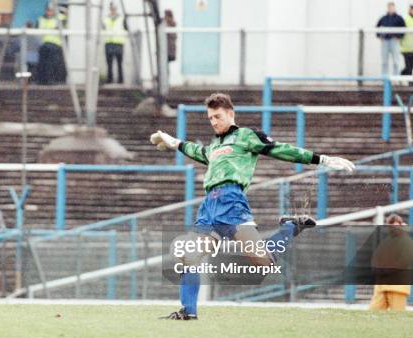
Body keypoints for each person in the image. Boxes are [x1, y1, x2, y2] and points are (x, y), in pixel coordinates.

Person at [150, 93, 356, 320]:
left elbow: (280, 149)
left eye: (217, 116)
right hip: (209, 205)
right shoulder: (215, 145)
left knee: (264, 263)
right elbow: (199, 152)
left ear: (230, 113)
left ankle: (290, 228)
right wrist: (174, 142)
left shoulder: (246, 136)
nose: (214, 122)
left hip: (232, 202)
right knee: (188, 255)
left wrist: (321, 159)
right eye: (210, 118)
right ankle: (188, 312)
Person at [369, 214, 413, 311]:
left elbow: (404, 261)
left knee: (397, 315)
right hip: (381, 285)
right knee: (373, 312)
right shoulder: (385, 241)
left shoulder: (407, 242)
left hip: (397, 286)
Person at [37, 3, 66, 85]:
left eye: (51, 10)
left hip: (56, 45)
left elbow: (67, 15)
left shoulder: (60, 18)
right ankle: (42, 81)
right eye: (48, 10)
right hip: (44, 45)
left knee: (53, 64)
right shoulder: (41, 19)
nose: (49, 12)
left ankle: (52, 81)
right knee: (43, 64)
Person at [377, 2, 406, 75]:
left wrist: (399, 37)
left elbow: (404, 29)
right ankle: (384, 77)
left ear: (394, 8)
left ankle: (395, 77)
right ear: (387, 8)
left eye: (392, 7)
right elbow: (377, 27)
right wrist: (379, 36)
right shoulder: (384, 18)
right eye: (389, 7)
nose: (390, 9)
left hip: (394, 41)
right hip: (385, 41)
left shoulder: (399, 18)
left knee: (396, 61)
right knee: (384, 61)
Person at [103, 2, 125, 84]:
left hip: (119, 43)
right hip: (109, 43)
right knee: (109, 64)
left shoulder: (121, 18)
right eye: (111, 9)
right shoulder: (106, 19)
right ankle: (109, 80)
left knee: (119, 64)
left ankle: (120, 81)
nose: (113, 10)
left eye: (114, 9)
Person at [400, 5, 413, 78]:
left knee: (410, 66)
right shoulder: (405, 20)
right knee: (409, 67)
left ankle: (402, 74)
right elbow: (401, 33)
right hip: (406, 48)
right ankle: (410, 84)